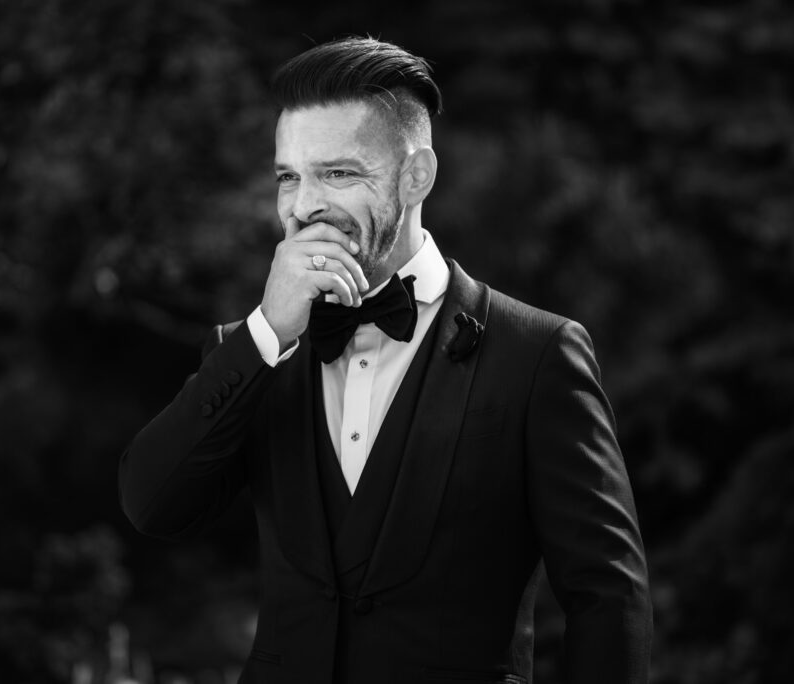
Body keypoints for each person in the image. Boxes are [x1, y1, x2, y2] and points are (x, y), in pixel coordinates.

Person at [119, 36, 652, 684]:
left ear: (415, 174)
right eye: (290, 177)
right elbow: (153, 504)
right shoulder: (253, 349)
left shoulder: (537, 355)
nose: (304, 205)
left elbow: (609, 600)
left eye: (338, 173)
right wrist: (264, 334)